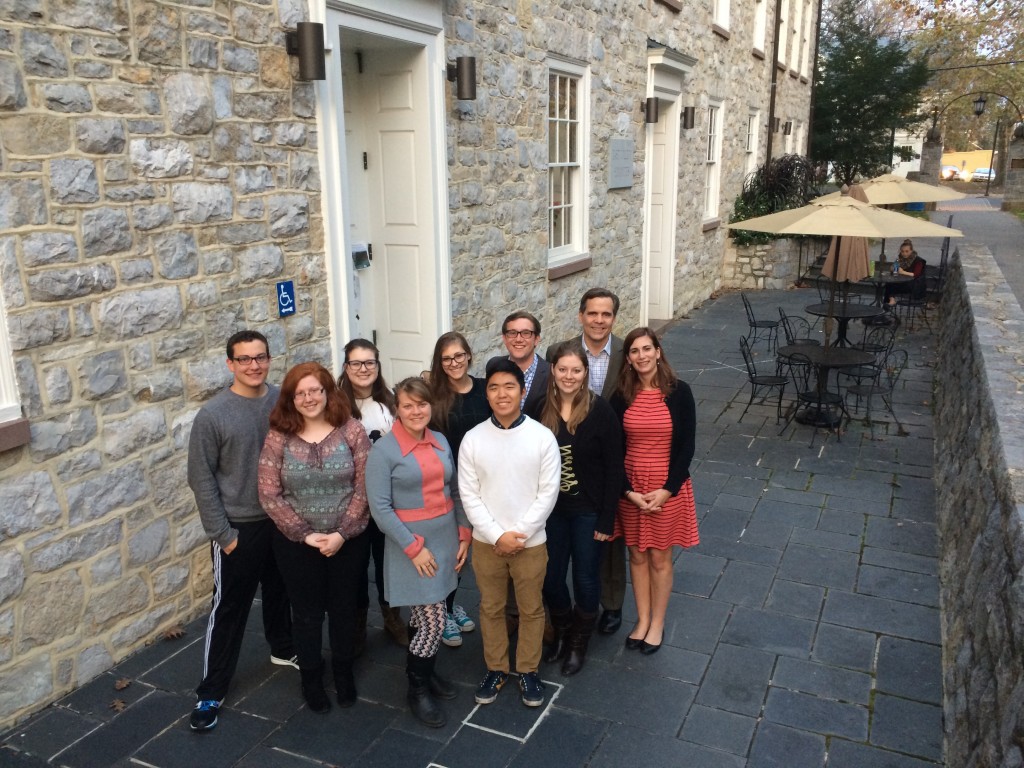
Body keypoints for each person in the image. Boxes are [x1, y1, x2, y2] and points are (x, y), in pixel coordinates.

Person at [186, 330, 295, 733]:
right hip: (239, 528)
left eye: (260, 357)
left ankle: (283, 648)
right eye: (244, 359)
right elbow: (200, 479)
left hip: (281, 522)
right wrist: (223, 534)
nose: (254, 365)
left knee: (281, 591)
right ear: (229, 364)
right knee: (229, 609)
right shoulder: (213, 415)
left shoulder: (283, 400)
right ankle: (211, 691)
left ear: (269, 359)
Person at [257, 362, 371, 713]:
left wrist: (341, 533)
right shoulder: (279, 435)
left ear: (327, 393)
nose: (309, 398)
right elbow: (268, 492)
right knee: (305, 614)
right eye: (300, 392)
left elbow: (365, 487)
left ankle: (343, 671)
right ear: (291, 398)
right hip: (296, 545)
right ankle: (310, 676)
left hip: (347, 542)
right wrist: (305, 535)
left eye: (315, 390)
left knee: (342, 610)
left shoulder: (351, 430)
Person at [365, 377, 470, 728]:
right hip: (412, 547)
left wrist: (464, 534)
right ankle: (417, 686)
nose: (415, 411)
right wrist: (413, 549)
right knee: (436, 621)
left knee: (426, 618)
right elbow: (380, 509)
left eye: (421, 404)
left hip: (445, 540)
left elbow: (454, 490)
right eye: (407, 405)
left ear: (430, 406)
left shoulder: (440, 440)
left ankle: (427, 670)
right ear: (397, 408)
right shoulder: (384, 451)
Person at [459, 359, 560, 708]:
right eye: (494, 387)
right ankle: (497, 668)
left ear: (521, 391)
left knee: (531, 610)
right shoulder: (473, 440)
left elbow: (548, 492)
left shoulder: (541, 437)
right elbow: (469, 494)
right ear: (486, 394)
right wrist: (496, 534)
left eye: (509, 386)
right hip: (488, 544)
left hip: (530, 544)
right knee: (491, 608)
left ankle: (528, 669)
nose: (502, 394)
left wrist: (520, 533)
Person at [610, 328, 698, 656]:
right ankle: (642, 619)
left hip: (666, 488)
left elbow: (687, 446)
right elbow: (614, 449)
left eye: (647, 349)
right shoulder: (621, 395)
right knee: (636, 554)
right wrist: (628, 491)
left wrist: (667, 490)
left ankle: (657, 623)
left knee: (660, 556)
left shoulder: (680, 392)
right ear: (629, 358)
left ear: (658, 352)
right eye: (635, 351)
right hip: (632, 487)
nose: (642, 356)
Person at [538, 342, 624, 676]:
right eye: (563, 369)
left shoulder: (600, 411)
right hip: (551, 512)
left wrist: (607, 517)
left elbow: (614, 467)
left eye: (576, 370)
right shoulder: (538, 408)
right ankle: (560, 631)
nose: (569, 376)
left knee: (586, 579)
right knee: (551, 576)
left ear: (585, 372)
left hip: (589, 510)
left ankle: (578, 643)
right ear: (553, 371)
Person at [546, 288, 627, 636]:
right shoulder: (560, 352)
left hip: (608, 451)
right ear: (581, 316)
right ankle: (567, 618)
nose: (598, 320)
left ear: (613, 318)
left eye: (605, 314)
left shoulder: (626, 353)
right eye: (592, 313)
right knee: (563, 563)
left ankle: (610, 607)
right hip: (565, 468)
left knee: (604, 549)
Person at [338, 338, 407, 650]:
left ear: (378, 367)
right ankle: (356, 625)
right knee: (353, 567)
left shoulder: (391, 405)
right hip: (349, 501)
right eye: (356, 363)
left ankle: (392, 617)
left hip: (386, 500)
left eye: (370, 363)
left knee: (387, 562)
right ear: (346, 367)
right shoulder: (335, 408)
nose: (363, 369)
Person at [427, 331, 488, 647]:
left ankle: (454, 603)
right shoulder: (434, 397)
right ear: (440, 362)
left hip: (485, 482)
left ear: (468, 356)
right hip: (449, 485)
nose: (454, 362)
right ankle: (445, 611)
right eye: (447, 358)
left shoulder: (483, 390)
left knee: (479, 551)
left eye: (459, 355)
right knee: (452, 552)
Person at [486, 310, 550, 419]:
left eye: (526, 333)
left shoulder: (551, 373)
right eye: (512, 333)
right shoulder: (494, 365)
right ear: (504, 339)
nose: (518, 339)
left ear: (536, 339)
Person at [884, 239, 927, 306]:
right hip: (903, 281)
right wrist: (893, 268)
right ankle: (890, 302)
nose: (904, 253)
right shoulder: (900, 259)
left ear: (911, 251)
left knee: (891, 285)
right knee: (889, 284)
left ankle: (889, 304)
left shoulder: (918, 261)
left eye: (907, 251)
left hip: (914, 284)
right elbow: (893, 267)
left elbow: (916, 274)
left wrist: (903, 272)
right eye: (902, 251)